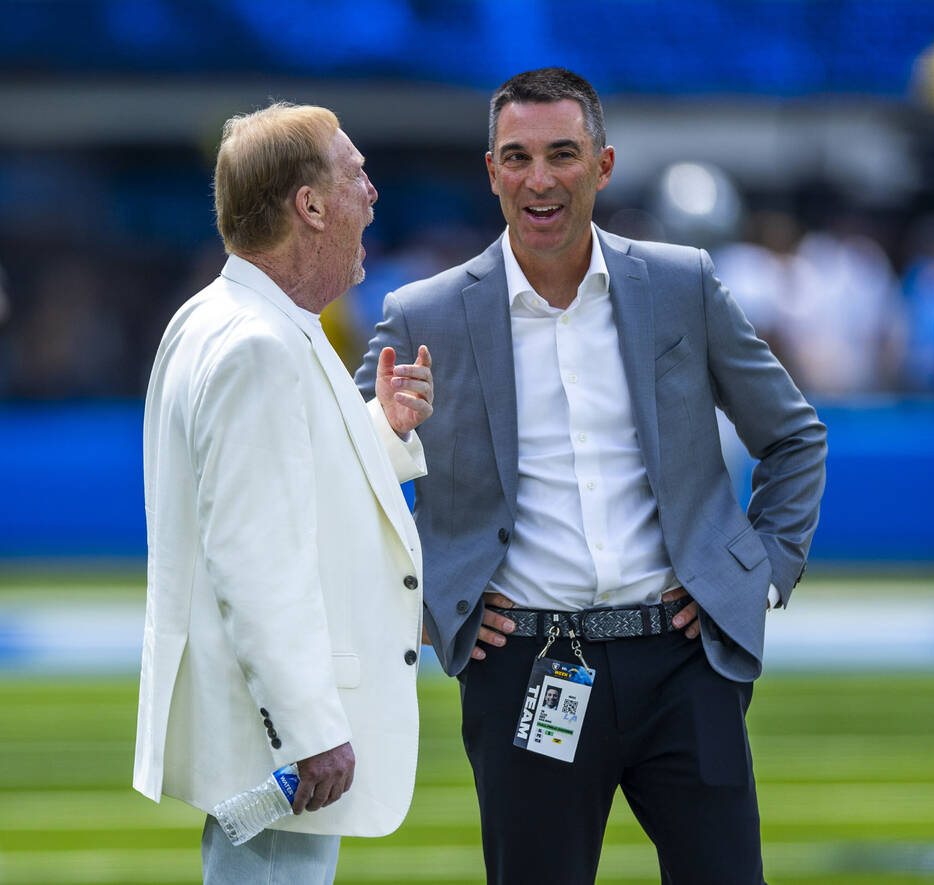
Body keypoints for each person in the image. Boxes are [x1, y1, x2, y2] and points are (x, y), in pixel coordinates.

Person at [355, 68, 826, 884]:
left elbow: (793, 436)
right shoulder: (423, 313)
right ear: (492, 170)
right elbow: (347, 476)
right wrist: (429, 601)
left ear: (603, 166)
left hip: (686, 660)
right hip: (526, 665)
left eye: (563, 154)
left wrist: (758, 576)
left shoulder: (682, 284)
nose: (540, 179)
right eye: (518, 157)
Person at [134, 102, 434, 884]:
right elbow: (252, 554)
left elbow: (279, 485)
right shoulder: (261, 343)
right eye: (356, 175)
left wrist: (382, 430)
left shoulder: (222, 318)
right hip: (278, 736)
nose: (372, 194)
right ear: (309, 205)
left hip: (258, 723)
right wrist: (307, 726)